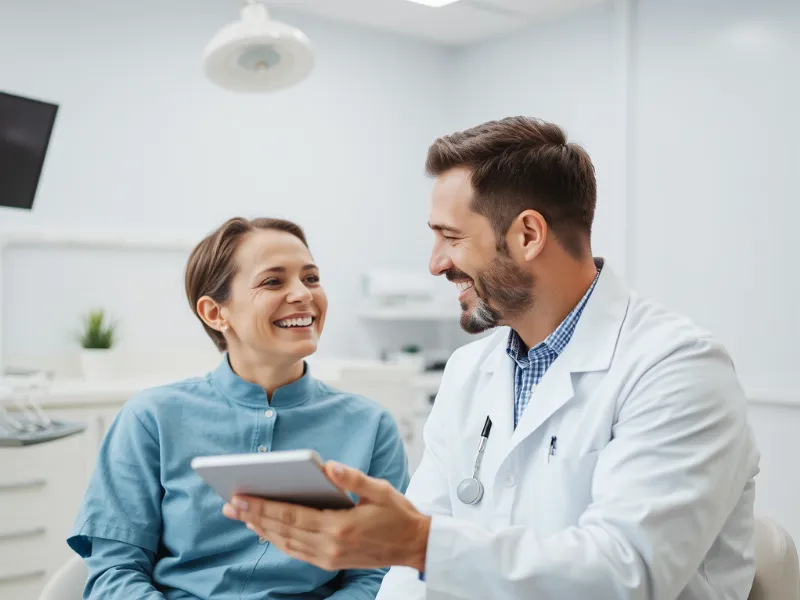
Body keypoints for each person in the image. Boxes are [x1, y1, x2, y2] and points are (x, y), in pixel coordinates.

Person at [223, 118, 761, 600]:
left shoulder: (678, 368)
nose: (435, 265)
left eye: (450, 238)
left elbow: (628, 576)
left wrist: (419, 543)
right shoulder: (469, 371)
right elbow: (413, 570)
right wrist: (416, 547)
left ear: (528, 235)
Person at [67, 216, 410, 600]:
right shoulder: (151, 417)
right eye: (273, 281)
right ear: (215, 313)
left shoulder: (371, 425)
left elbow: (379, 574)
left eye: (311, 278)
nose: (302, 294)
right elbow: (114, 570)